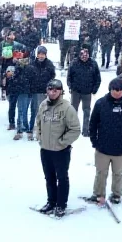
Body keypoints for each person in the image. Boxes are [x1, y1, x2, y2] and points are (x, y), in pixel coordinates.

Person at [85, 78, 122, 204]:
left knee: (118, 173)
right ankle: (98, 194)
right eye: (115, 90)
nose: (117, 92)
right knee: (100, 173)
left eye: (120, 90)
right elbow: (93, 123)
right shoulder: (101, 103)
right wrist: (94, 141)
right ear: (110, 89)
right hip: (103, 147)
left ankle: (116, 194)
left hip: (121, 148)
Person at [34, 78, 80, 217]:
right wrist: (39, 137)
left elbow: (75, 129)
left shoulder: (67, 108)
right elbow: (38, 122)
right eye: (50, 89)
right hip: (45, 149)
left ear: (61, 91)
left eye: (56, 90)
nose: (53, 92)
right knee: (49, 177)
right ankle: (51, 201)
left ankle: (61, 204)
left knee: (62, 177)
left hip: (61, 151)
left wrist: (62, 142)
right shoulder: (43, 105)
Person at [67, 47, 102, 137]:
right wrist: (70, 86)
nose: (84, 57)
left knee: (86, 111)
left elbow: (97, 78)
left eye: (86, 55)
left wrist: (94, 89)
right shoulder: (74, 63)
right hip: (76, 91)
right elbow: (69, 76)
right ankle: (72, 129)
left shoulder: (93, 64)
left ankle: (86, 130)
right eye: (82, 55)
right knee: (73, 110)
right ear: (79, 55)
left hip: (87, 92)